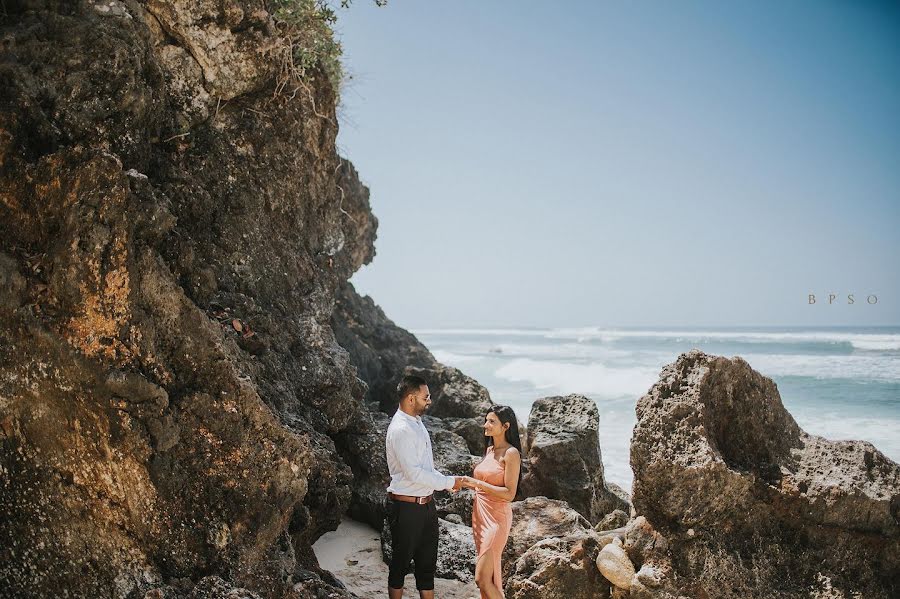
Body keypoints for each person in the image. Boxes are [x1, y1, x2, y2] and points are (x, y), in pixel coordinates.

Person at [385, 374, 465, 599]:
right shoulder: (401, 429)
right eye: (425, 397)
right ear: (411, 399)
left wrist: (448, 480)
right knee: (400, 565)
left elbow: (427, 469)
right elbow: (414, 473)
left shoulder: (417, 423)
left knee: (427, 565)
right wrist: (449, 483)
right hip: (406, 508)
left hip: (427, 506)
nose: (429, 400)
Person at [461, 405, 522, 599]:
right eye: (486, 420)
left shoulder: (511, 453)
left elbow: (509, 494)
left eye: (491, 421)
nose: (485, 425)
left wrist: (476, 483)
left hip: (496, 518)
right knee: (487, 579)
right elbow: (483, 484)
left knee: (482, 578)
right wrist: (463, 483)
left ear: (505, 426)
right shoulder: (489, 450)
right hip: (480, 516)